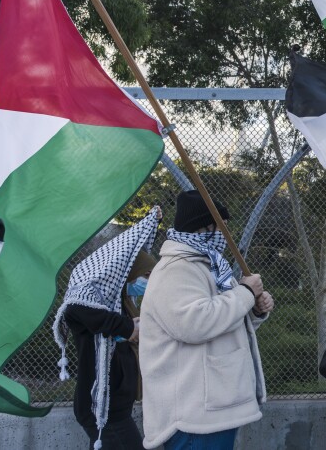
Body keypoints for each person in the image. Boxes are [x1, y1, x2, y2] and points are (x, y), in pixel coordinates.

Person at [139, 190, 274, 450]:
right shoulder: (178, 268)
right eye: (218, 226)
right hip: (193, 416)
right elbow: (195, 323)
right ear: (203, 228)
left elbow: (225, 319)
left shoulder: (209, 265)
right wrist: (245, 293)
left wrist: (254, 309)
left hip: (211, 409)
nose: (224, 233)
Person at [52, 208, 161, 450]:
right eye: (145, 275)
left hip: (117, 409)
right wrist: (126, 327)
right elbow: (75, 309)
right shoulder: (91, 304)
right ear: (128, 274)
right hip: (101, 411)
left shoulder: (122, 304)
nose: (149, 282)